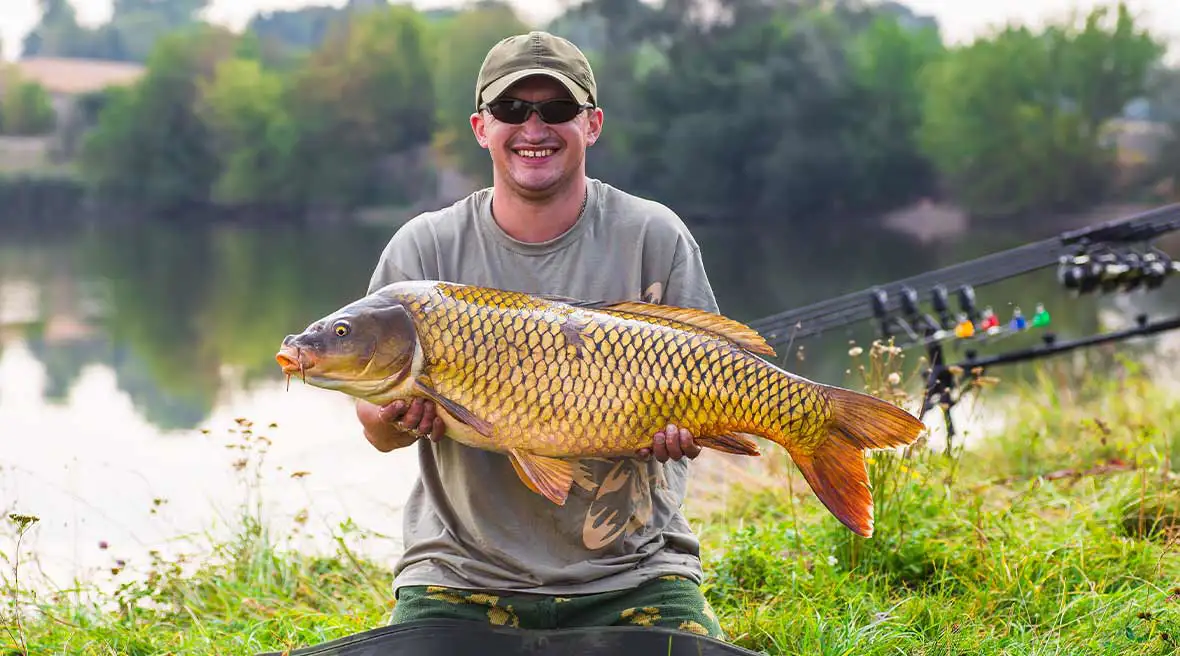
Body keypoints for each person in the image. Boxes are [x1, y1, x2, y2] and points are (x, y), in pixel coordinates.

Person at [355, 30, 726, 640]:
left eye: (556, 110)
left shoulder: (653, 235)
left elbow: (713, 377)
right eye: (510, 110)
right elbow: (376, 430)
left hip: (634, 571)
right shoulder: (424, 250)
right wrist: (396, 419)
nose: (534, 128)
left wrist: (689, 431)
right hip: (458, 574)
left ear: (593, 124)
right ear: (481, 127)